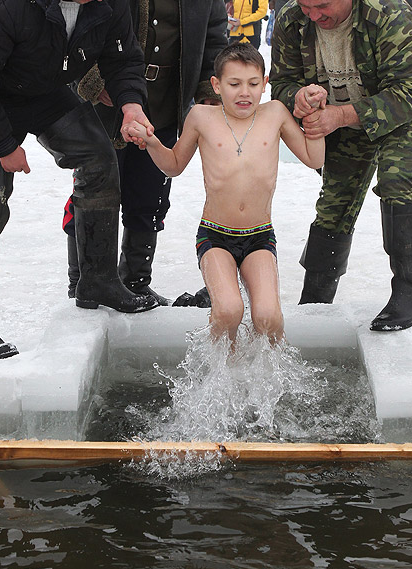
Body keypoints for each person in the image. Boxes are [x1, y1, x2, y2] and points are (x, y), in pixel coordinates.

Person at [0, 0, 158, 361]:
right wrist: (4, 146)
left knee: (100, 163)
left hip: (46, 90)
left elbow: (123, 59)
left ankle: (97, 280)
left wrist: (131, 105)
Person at [68, 0, 228, 306]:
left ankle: (135, 280)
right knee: (96, 184)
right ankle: (85, 280)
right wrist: (93, 82)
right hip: (108, 97)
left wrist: (209, 92)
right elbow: (78, 24)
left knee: (150, 191)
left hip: (166, 99)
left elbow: (214, 33)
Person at [270, 0, 412, 333]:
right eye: (305, 5)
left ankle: (409, 292)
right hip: (340, 110)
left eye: (323, 6)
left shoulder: (388, 12)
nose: (313, 15)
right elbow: (280, 81)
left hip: (406, 107)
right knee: (336, 199)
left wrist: (341, 115)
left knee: (396, 178)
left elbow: (410, 93)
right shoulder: (292, 19)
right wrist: (297, 97)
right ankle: (316, 297)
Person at [127, 41, 325, 344]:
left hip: (259, 235)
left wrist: (315, 120)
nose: (244, 92)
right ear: (217, 85)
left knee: (268, 316)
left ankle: (272, 379)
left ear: (265, 84)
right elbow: (174, 166)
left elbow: (315, 159)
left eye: (253, 84)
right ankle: (219, 374)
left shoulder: (275, 114)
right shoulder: (202, 117)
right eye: (234, 84)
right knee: (229, 310)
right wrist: (152, 143)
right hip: (215, 235)